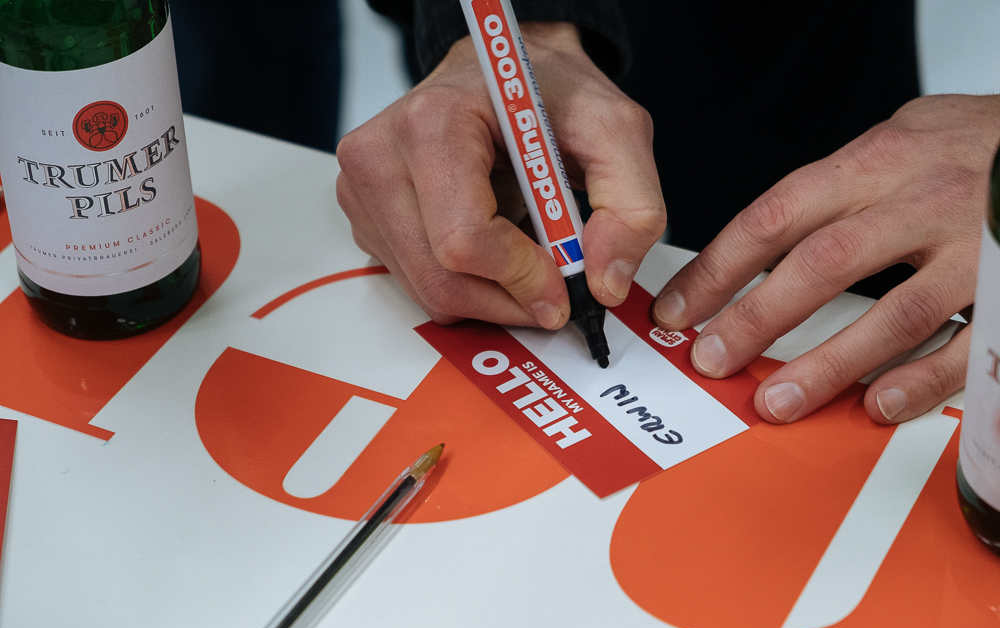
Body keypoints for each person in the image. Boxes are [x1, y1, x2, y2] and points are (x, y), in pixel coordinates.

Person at [336, 0, 1000, 426]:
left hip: (786, 47)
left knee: (857, 282)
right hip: (508, 52)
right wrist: (527, 20)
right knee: (486, 210)